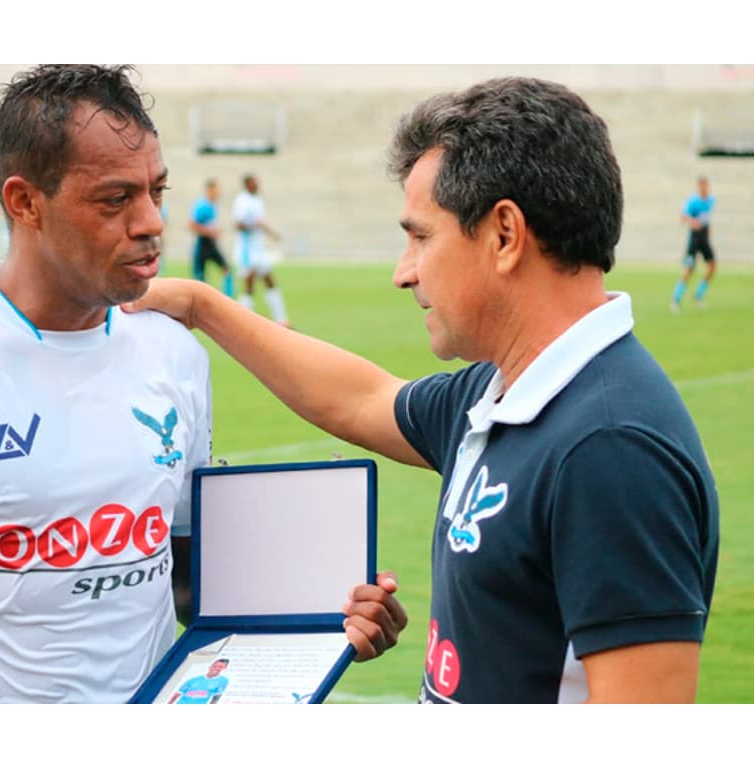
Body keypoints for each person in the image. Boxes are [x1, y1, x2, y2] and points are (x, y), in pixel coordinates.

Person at [0, 64, 406, 704]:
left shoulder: (173, 353)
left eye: (157, 192)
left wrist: (322, 614)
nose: (151, 223)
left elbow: (179, 580)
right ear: (25, 202)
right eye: (116, 199)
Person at [125, 77, 720, 704]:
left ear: (504, 235)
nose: (402, 272)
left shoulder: (608, 446)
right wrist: (200, 306)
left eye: (421, 237)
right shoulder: (506, 394)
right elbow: (357, 399)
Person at [233, 174, 289, 326]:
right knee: (249, 286)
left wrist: (271, 233)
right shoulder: (242, 201)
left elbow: (261, 223)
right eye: (254, 183)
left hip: (259, 250)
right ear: (247, 185)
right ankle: (242, 321)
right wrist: (253, 225)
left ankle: (281, 320)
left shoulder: (257, 200)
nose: (257, 185)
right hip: (247, 251)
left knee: (270, 281)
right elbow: (238, 224)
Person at [671, 175, 717, 313]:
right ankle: (676, 298)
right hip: (695, 239)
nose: (704, 188)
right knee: (689, 269)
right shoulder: (693, 202)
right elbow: (683, 217)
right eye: (702, 185)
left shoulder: (711, 201)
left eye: (706, 185)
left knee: (712, 266)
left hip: (704, 239)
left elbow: (707, 218)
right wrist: (693, 222)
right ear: (699, 186)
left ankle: (698, 295)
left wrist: (709, 229)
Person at [189, 179, 234, 296]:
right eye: (215, 190)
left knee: (227, 270)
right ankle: (200, 302)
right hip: (202, 245)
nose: (217, 193)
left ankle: (228, 299)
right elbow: (192, 225)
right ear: (209, 190)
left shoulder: (212, 205)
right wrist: (211, 232)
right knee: (200, 279)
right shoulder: (202, 206)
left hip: (212, 245)